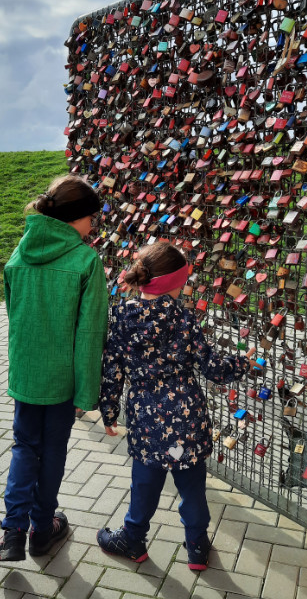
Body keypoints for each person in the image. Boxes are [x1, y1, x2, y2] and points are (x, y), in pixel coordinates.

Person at [97, 241, 255, 570]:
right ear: (175, 283)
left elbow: (111, 369)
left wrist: (109, 412)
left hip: (146, 419)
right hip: (187, 417)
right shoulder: (183, 317)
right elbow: (211, 366)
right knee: (192, 485)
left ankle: (133, 538)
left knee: (144, 482)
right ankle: (197, 546)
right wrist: (242, 363)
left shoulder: (122, 316)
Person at [0, 175, 109, 562]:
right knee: (53, 450)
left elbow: (14, 314)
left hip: (26, 375)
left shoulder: (18, 254)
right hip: (62, 380)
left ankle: (12, 534)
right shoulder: (86, 260)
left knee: (24, 447)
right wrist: (86, 393)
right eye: (92, 217)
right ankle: (42, 531)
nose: (94, 226)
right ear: (75, 218)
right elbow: (90, 333)